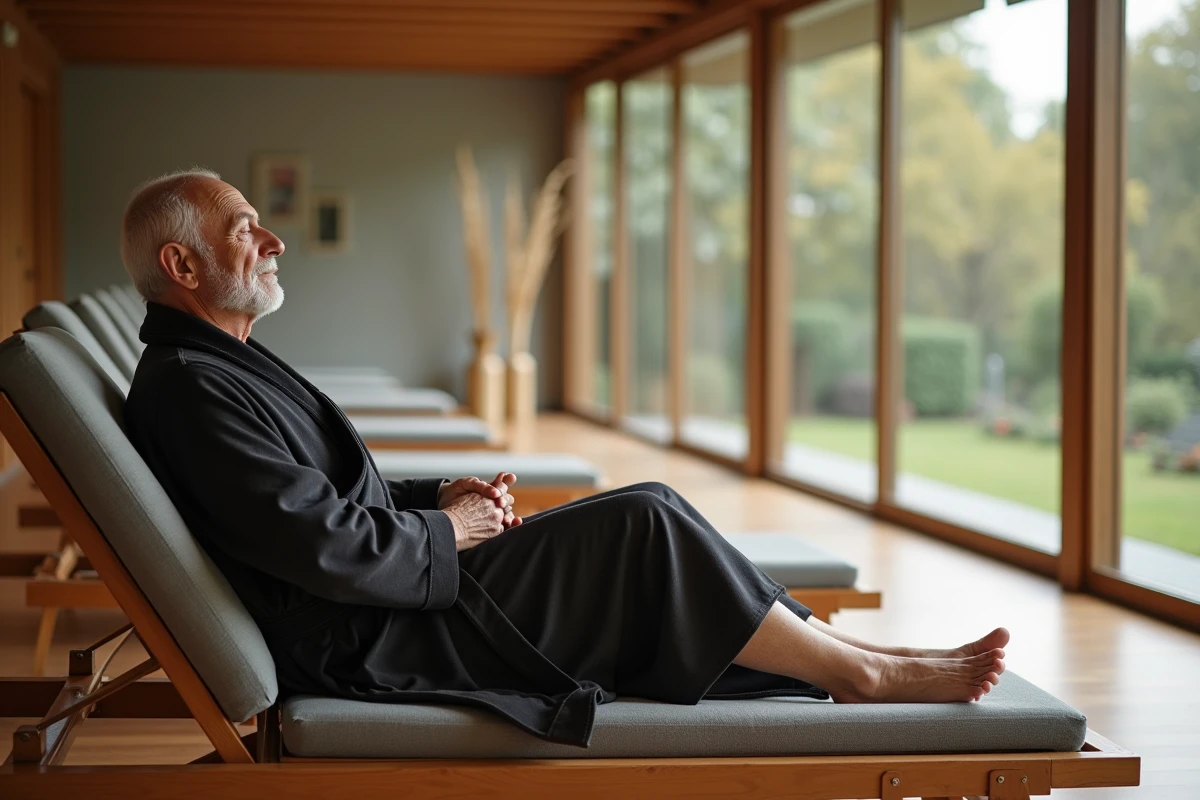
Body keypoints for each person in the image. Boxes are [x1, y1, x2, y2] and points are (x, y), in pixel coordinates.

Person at [120, 168, 1007, 747]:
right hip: (371, 633)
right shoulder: (192, 387)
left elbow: (319, 497)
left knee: (651, 523)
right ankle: (858, 671)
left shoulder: (208, 366)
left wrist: (439, 492)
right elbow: (318, 544)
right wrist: (449, 528)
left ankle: (846, 655)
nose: (271, 240)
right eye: (244, 228)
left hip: (388, 596)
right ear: (183, 265)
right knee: (643, 523)